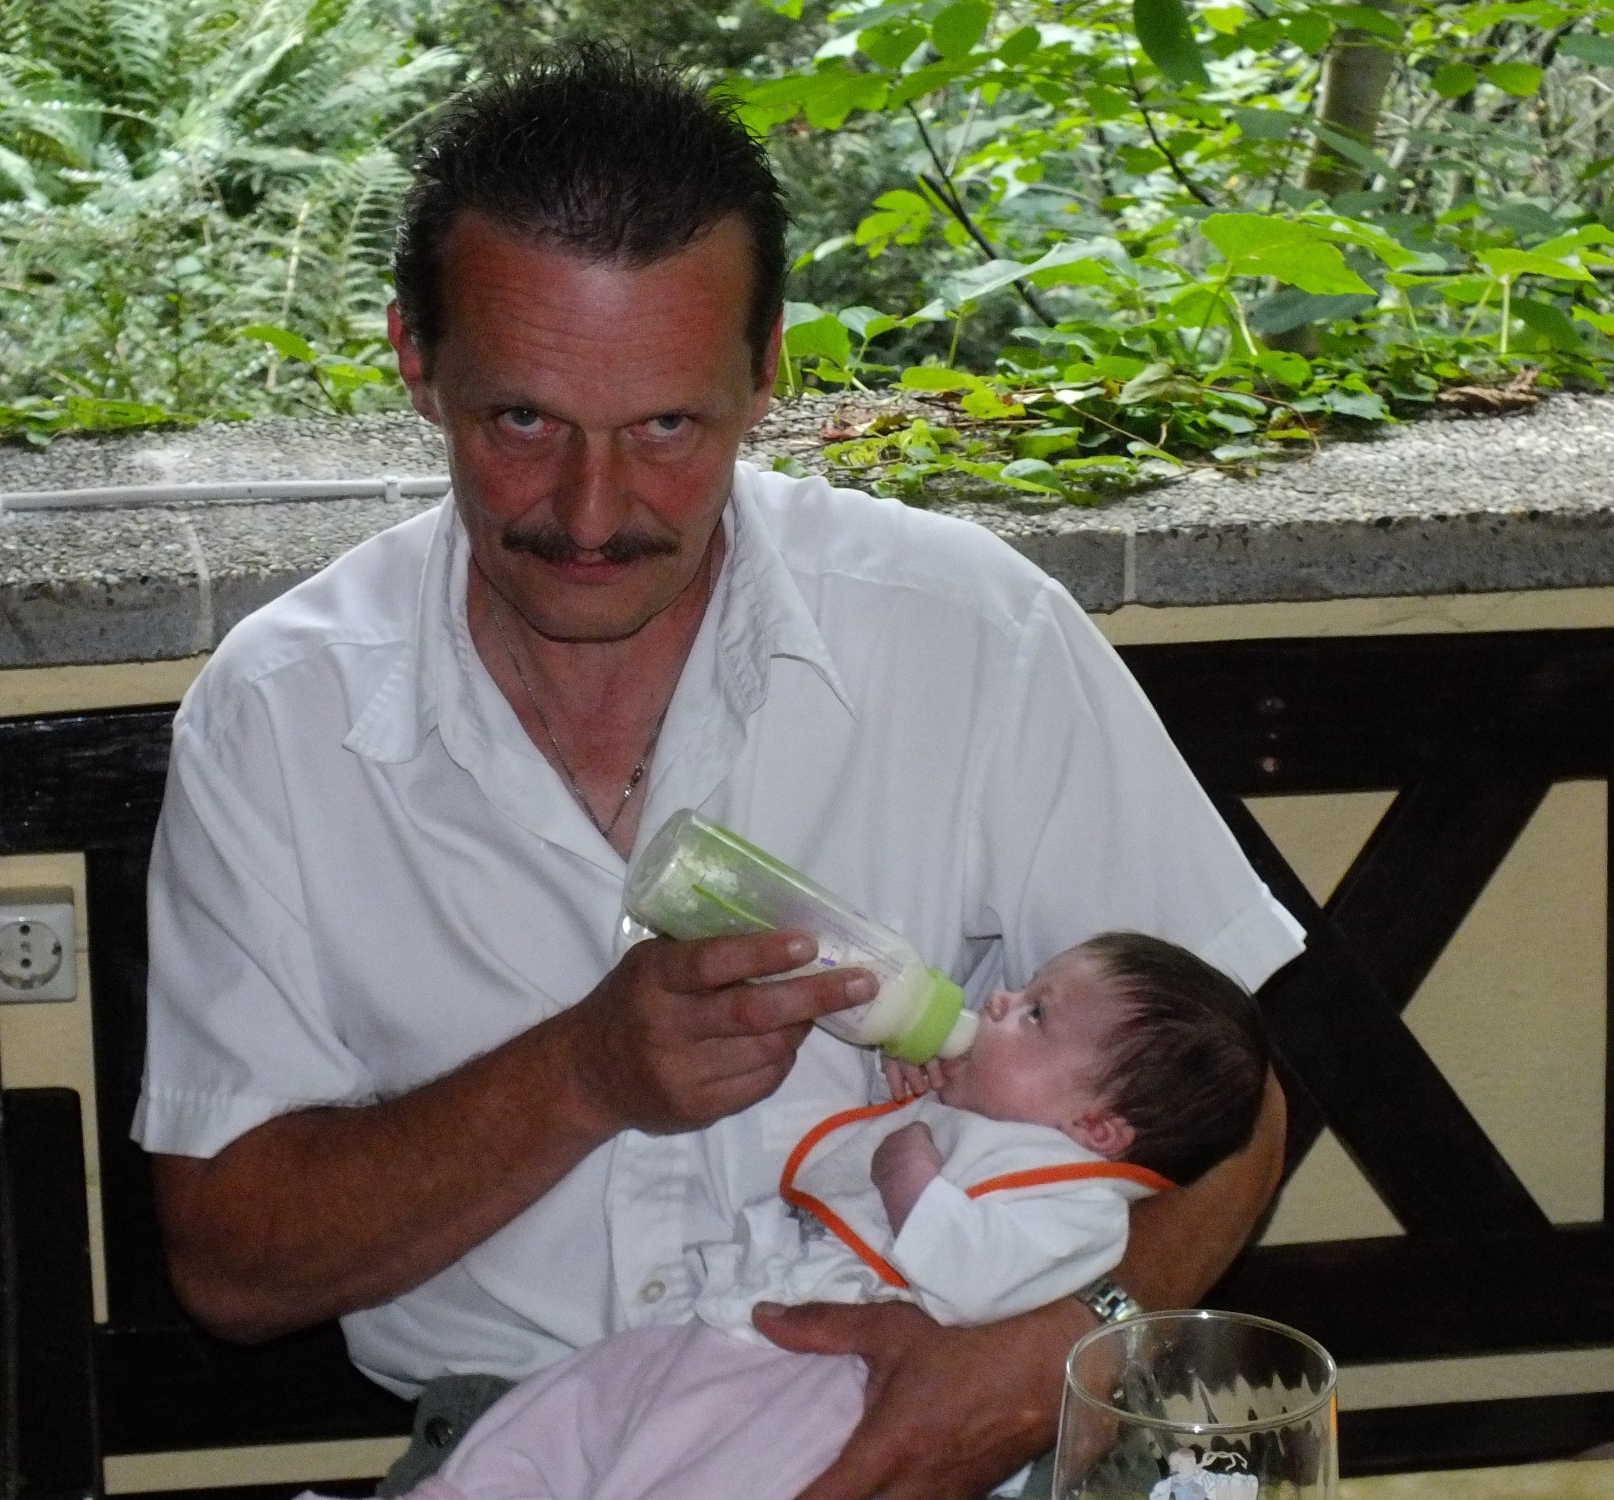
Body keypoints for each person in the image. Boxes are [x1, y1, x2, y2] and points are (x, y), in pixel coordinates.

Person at [135, 44, 1305, 1500]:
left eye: (666, 428)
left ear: (765, 376)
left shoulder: (969, 634)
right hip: (526, 1448)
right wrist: (583, 1077)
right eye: (522, 422)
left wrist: (1045, 1364)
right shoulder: (280, 712)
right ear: (416, 363)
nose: (591, 514)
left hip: (962, 1407)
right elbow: (233, 1267)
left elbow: (1238, 1122)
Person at [389, 933, 1270, 1500]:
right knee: (579, 1404)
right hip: (727, 1331)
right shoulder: (977, 1119)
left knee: (699, 1474)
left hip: (839, 1389)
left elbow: (972, 1277)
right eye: (1022, 991)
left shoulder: (1078, 1205)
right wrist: (906, 1103)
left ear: (1098, 1129)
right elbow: (828, 1163)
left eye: (1036, 1015)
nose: (1000, 1001)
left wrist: (911, 1170)